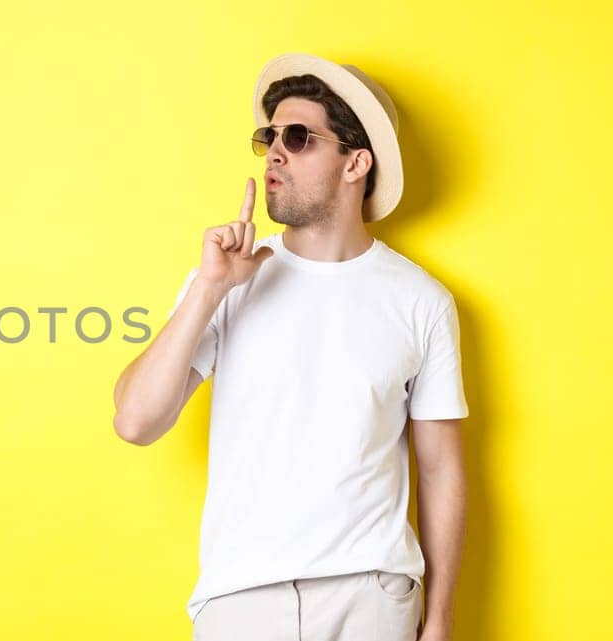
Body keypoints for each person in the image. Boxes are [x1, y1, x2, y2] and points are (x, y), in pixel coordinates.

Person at [111, 53, 468, 641]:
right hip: (240, 599)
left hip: (372, 596)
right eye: (268, 137)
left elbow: (442, 470)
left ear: (356, 163)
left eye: (298, 137)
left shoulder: (421, 301)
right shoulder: (225, 279)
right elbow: (135, 421)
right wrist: (208, 289)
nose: (275, 151)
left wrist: (441, 620)